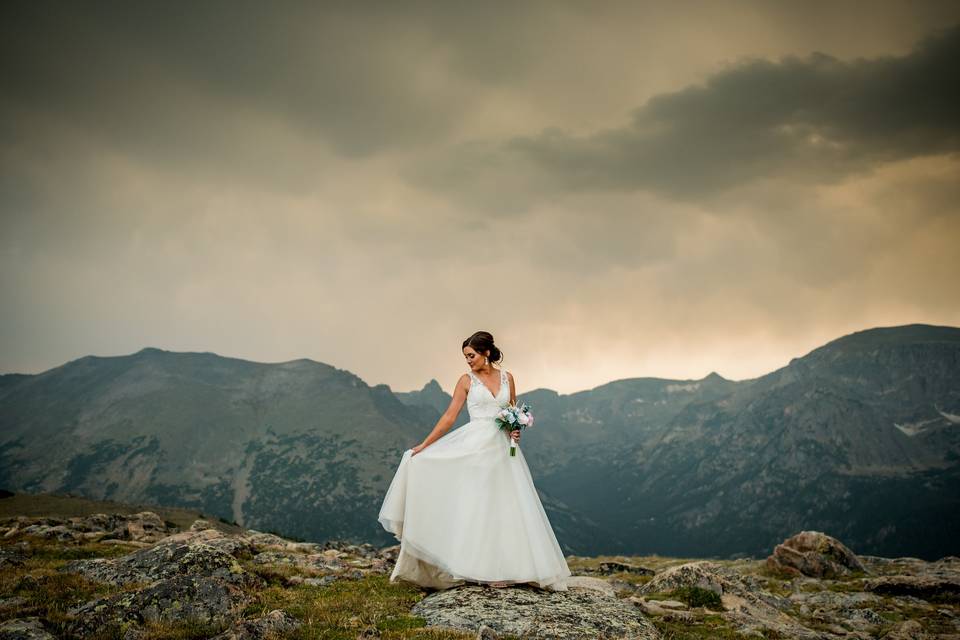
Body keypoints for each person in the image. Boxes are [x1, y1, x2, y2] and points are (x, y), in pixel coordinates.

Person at [377, 331, 571, 591]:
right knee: (478, 506)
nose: (468, 361)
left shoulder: (507, 378)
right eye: (465, 357)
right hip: (474, 448)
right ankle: (478, 569)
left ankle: (512, 567)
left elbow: (510, 412)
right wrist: (424, 446)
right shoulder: (466, 380)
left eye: (471, 356)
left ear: (486, 353)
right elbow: (449, 417)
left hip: (503, 450)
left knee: (506, 505)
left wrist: (515, 430)